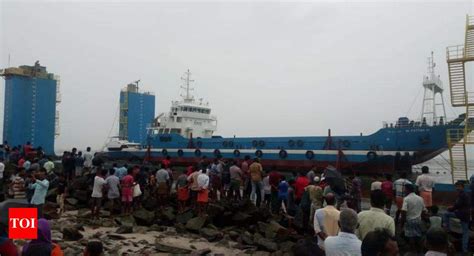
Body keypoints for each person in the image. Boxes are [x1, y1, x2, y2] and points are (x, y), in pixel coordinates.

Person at [443, 180, 470, 253]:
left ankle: (447, 228)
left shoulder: (462, 195)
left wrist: (450, 209)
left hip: (461, 214)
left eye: (459, 187)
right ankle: (465, 250)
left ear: (463, 187)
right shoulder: (464, 194)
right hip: (465, 215)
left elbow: (457, 205)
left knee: (445, 214)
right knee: (465, 232)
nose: (457, 188)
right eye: (457, 187)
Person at [401, 183, 426, 253]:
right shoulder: (420, 198)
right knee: (418, 236)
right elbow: (424, 210)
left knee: (411, 237)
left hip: (409, 220)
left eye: (404, 189)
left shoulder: (406, 199)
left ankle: (413, 252)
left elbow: (403, 211)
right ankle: (420, 251)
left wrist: (402, 222)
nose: (404, 191)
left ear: (407, 190)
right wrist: (422, 219)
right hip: (418, 220)